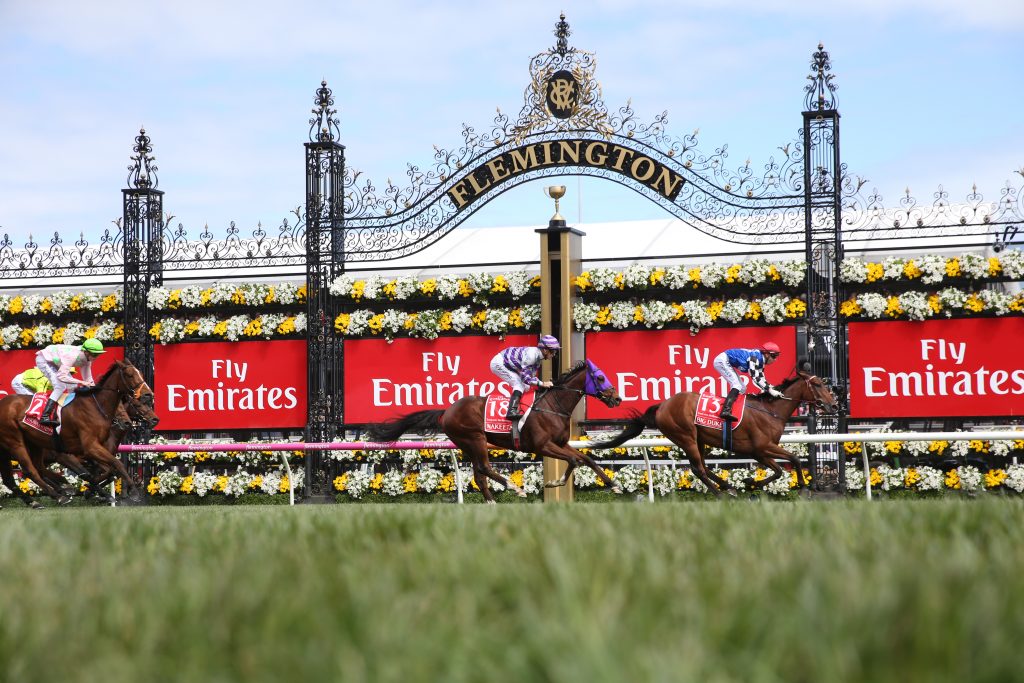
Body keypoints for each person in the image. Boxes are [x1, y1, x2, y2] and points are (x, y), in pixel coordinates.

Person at [35, 338, 106, 426]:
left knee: (73, 386)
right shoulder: (72, 356)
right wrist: (81, 382)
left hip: (56, 362)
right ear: (86, 352)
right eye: (95, 354)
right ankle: (45, 416)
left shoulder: (87, 359)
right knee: (60, 386)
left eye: (98, 354)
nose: (96, 357)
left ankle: (72, 413)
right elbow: (62, 376)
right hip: (45, 360)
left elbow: (88, 378)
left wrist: (97, 391)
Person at [489, 334, 560, 421]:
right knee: (518, 384)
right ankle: (511, 411)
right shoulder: (532, 356)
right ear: (545, 350)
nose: (554, 354)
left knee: (526, 387)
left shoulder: (538, 358)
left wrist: (541, 384)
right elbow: (526, 378)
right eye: (553, 351)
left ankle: (518, 407)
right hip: (498, 363)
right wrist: (543, 384)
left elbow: (530, 378)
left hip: (507, 364)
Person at [713, 341, 785, 422]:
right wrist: (770, 390)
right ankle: (725, 410)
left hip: (725, 360)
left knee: (742, 388)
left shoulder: (761, 360)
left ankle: (734, 410)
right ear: (767, 354)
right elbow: (755, 378)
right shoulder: (754, 358)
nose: (775, 360)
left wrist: (771, 388)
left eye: (777, 356)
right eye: (774, 356)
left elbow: (761, 378)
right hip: (721, 360)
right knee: (737, 385)